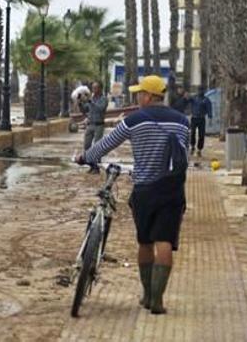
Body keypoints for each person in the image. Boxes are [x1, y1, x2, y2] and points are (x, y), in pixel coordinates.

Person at [76, 75, 189, 315]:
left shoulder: (135, 120)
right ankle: (158, 301)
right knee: (165, 242)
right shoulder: (181, 121)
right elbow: (181, 155)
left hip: (145, 190)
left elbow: (106, 144)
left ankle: (147, 296)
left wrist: (86, 157)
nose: (137, 98)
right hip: (173, 189)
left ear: (148, 96)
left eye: (140, 94)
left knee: (145, 242)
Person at [80, 82, 108, 173]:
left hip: (99, 125)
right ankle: (91, 165)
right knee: (86, 145)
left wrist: (90, 102)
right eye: (93, 88)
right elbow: (85, 110)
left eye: (95, 88)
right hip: (90, 124)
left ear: (100, 89)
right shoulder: (91, 99)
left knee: (97, 145)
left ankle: (96, 166)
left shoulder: (104, 99)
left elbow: (100, 109)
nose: (94, 90)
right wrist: (80, 102)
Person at [189, 87, 213, 157]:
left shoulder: (206, 100)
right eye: (199, 90)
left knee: (201, 135)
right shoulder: (194, 98)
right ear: (197, 91)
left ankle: (199, 149)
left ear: (203, 91)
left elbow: (209, 109)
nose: (200, 92)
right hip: (194, 118)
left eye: (201, 90)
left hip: (202, 119)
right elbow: (187, 100)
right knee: (192, 133)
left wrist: (210, 118)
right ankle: (192, 146)